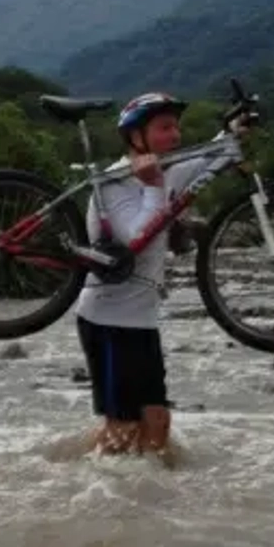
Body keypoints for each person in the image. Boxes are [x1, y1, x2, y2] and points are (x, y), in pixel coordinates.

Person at [74, 91, 206, 460]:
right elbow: (135, 240)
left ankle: (153, 501)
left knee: (158, 421)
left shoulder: (167, 170)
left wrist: (234, 132)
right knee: (124, 431)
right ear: (136, 137)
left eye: (177, 126)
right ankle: (97, 492)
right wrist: (152, 187)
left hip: (142, 318)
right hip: (108, 319)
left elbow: (208, 160)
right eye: (165, 127)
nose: (176, 135)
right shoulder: (114, 183)